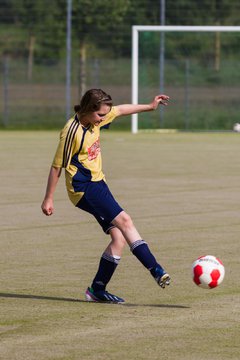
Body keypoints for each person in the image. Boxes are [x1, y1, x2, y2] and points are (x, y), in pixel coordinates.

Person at [41, 88, 170, 303]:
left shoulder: (95, 118)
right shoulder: (71, 131)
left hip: (98, 183)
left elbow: (119, 110)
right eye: (100, 115)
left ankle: (97, 290)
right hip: (83, 187)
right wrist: (49, 197)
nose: (103, 119)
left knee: (118, 238)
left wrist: (150, 106)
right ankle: (156, 269)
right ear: (88, 109)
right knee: (125, 221)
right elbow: (56, 167)